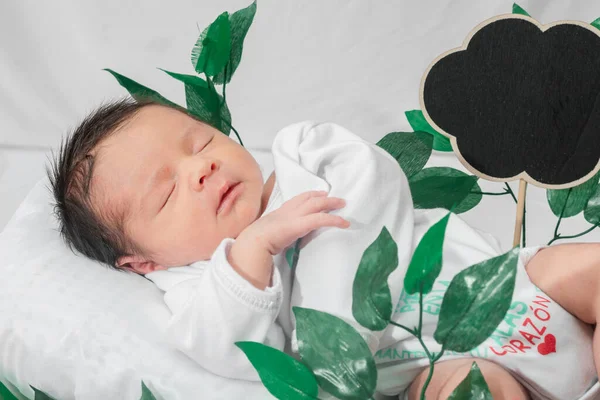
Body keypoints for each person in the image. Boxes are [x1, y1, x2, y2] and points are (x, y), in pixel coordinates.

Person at [50, 98, 599, 399]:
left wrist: (344, 322)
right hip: (446, 363)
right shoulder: (198, 289)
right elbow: (226, 349)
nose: (202, 168)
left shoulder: (304, 159)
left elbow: (371, 182)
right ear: (144, 262)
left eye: (201, 142)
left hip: (521, 284)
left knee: (584, 268)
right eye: (168, 193)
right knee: (462, 393)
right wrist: (255, 247)